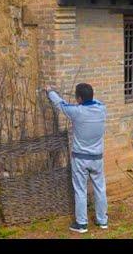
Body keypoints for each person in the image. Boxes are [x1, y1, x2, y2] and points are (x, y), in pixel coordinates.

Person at [45, 82, 108, 233]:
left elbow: (60, 104)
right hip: (97, 158)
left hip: (80, 158)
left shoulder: (76, 111)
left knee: (80, 190)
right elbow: (95, 101)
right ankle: (102, 220)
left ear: (79, 98)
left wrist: (50, 91)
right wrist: (85, 98)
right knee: (100, 188)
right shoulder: (102, 109)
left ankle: (81, 224)